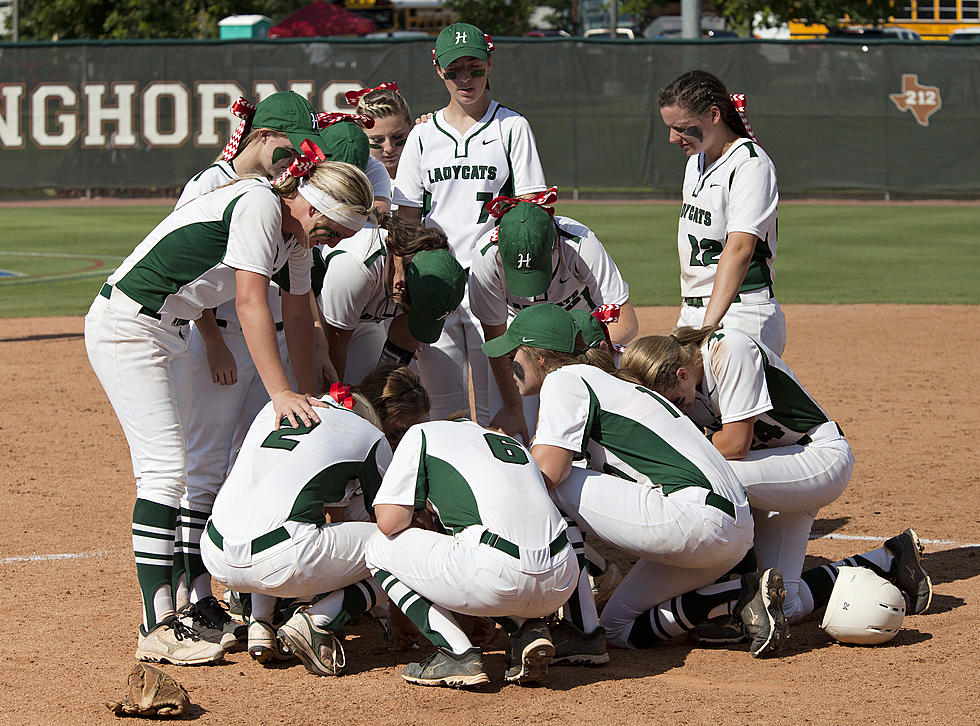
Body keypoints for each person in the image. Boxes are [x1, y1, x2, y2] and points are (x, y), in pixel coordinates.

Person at [84, 159, 375, 666]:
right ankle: (156, 626)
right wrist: (281, 393)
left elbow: (299, 315)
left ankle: (190, 601)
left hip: (166, 330)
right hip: (130, 325)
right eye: (330, 229)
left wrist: (309, 400)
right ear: (311, 205)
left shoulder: (296, 237)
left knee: (188, 470)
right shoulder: (261, 204)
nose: (329, 241)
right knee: (164, 472)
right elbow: (248, 302)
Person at [481, 305, 784, 661]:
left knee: (547, 483)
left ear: (544, 358)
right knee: (617, 629)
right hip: (729, 534)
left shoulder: (567, 379)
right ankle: (732, 596)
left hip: (695, 518)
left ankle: (580, 628)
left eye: (515, 351)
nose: (506, 361)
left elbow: (547, 474)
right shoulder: (611, 385)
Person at [616, 327, 932, 639]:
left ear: (682, 374)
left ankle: (727, 592)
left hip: (818, 459)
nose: (676, 407)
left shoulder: (729, 351)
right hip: (772, 473)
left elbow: (737, 444)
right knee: (784, 605)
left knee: (710, 481)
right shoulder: (687, 387)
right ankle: (889, 560)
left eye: (671, 398)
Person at [200, 365, 430, 676]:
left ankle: (260, 624)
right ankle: (318, 620)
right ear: (376, 414)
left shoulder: (277, 407)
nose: (401, 441)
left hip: (215, 552)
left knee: (270, 517)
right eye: (399, 432)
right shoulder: (370, 436)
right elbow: (391, 524)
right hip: (279, 559)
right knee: (398, 544)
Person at [393, 22, 548, 423]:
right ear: (438, 70)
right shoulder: (423, 135)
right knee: (443, 407)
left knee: (506, 405)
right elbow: (407, 218)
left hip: (495, 281)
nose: (466, 78)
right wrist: (408, 278)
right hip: (436, 281)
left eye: (474, 67)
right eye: (454, 69)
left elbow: (532, 210)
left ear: (490, 65)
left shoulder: (511, 127)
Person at [365, 416, 579, 689]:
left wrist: (426, 503)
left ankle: (456, 653)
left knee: (377, 547)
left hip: (496, 574)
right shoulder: (507, 442)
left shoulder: (423, 432)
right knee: (502, 544)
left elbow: (389, 521)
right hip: (562, 579)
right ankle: (527, 629)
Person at [470, 191, 637, 442]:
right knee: (510, 430)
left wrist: (570, 364)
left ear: (555, 243)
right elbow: (496, 336)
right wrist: (513, 408)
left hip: (584, 338)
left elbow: (625, 322)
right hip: (523, 337)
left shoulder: (579, 243)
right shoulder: (486, 257)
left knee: (594, 425)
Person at [658, 70, 787, 354]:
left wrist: (707, 327)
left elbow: (740, 249)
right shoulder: (695, 161)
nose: (672, 137)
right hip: (697, 311)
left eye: (681, 127)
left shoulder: (749, 165)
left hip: (739, 312)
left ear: (714, 114)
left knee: (734, 400)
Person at [316, 215, 466, 384]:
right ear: (400, 285)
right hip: (318, 322)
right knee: (320, 394)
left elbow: (406, 336)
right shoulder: (357, 267)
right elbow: (336, 341)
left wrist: (380, 396)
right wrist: (334, 399)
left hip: (363, 319)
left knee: (380, 392)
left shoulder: (441, 260)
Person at [348, 82, 413, 182]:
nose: (389, 148)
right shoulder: (353, 181)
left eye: (398, 136)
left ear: (410, 126)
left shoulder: (428, 162)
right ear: (360, 135)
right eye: (378, 140)